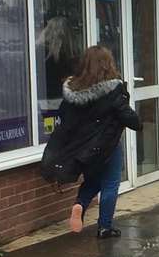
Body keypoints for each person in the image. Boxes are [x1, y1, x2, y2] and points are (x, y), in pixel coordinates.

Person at [52, 46, 139, 239]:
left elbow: (64, 118)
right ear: (107, 65)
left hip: (83, 148)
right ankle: (105, 227)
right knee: (110, 183)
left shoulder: (72, 90)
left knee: (93, 180)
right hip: (108, 144)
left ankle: (80, 204)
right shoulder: (113, 89)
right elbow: (127, 115)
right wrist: (138, 123)